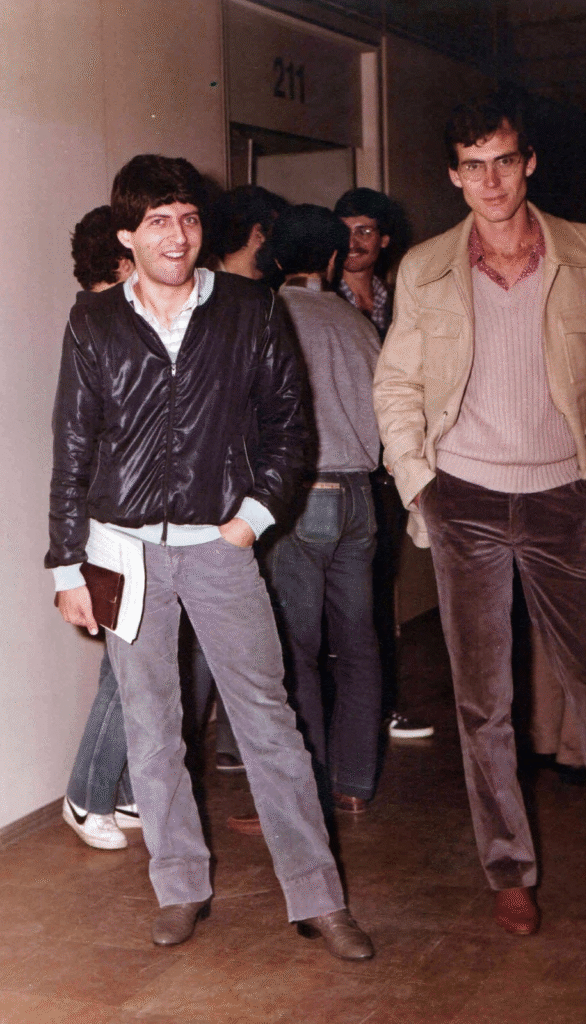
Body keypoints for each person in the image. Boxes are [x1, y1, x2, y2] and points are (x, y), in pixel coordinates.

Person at [46, 154, 373, 960]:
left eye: (188, 218)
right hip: (120, 551)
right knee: (153, 727)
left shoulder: (248, 308)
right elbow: (73, 446)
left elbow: (288, 427)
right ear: (127, 235)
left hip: (220, 550)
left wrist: (249, 520)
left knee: (268, 723)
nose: (177, 235)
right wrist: (66, 567)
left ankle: (318, 897)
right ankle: (179, 886)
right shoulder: (94, 320)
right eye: (158, 220)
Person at [373, 87, 586, 938]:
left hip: (562, 498)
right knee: (482, 701)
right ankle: (508, 869)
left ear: (527, 162)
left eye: (503, 161)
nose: (490, 182)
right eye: (473, 166)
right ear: (453, 176)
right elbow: (395, 386)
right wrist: (419, 484)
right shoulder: (423, 267)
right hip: (462, 499)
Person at [268, 204, 383, 814]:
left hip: (301, 496)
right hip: (362, 495)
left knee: (297, 651)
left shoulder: (269, 317)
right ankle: (354, 786)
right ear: (334, 259)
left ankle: (306, 794)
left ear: (276, 258)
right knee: (358, 645)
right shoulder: (359, 323)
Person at [334, 187, 434, 740]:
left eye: (366, 231)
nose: (355, 243)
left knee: (379, 588)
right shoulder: (320, 298)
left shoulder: (401, 301)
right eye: (345, 231)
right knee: (344, 598)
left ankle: (384, 705)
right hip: (341, 466)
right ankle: (348, 716)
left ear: (385, 239)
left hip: (391, 467)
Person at [205, 183, 289, 772]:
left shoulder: (242, 302)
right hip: (231, 506)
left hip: (242, 507)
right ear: (257, 235)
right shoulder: (247, 305)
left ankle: (233, 746)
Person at [62, 206, 139, 851]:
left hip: (129, 519)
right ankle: (88, 796)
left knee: (145, 658)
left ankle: (128, 789)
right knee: (126, 662)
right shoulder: (96, 324)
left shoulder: (106, 318)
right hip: (108, 523)